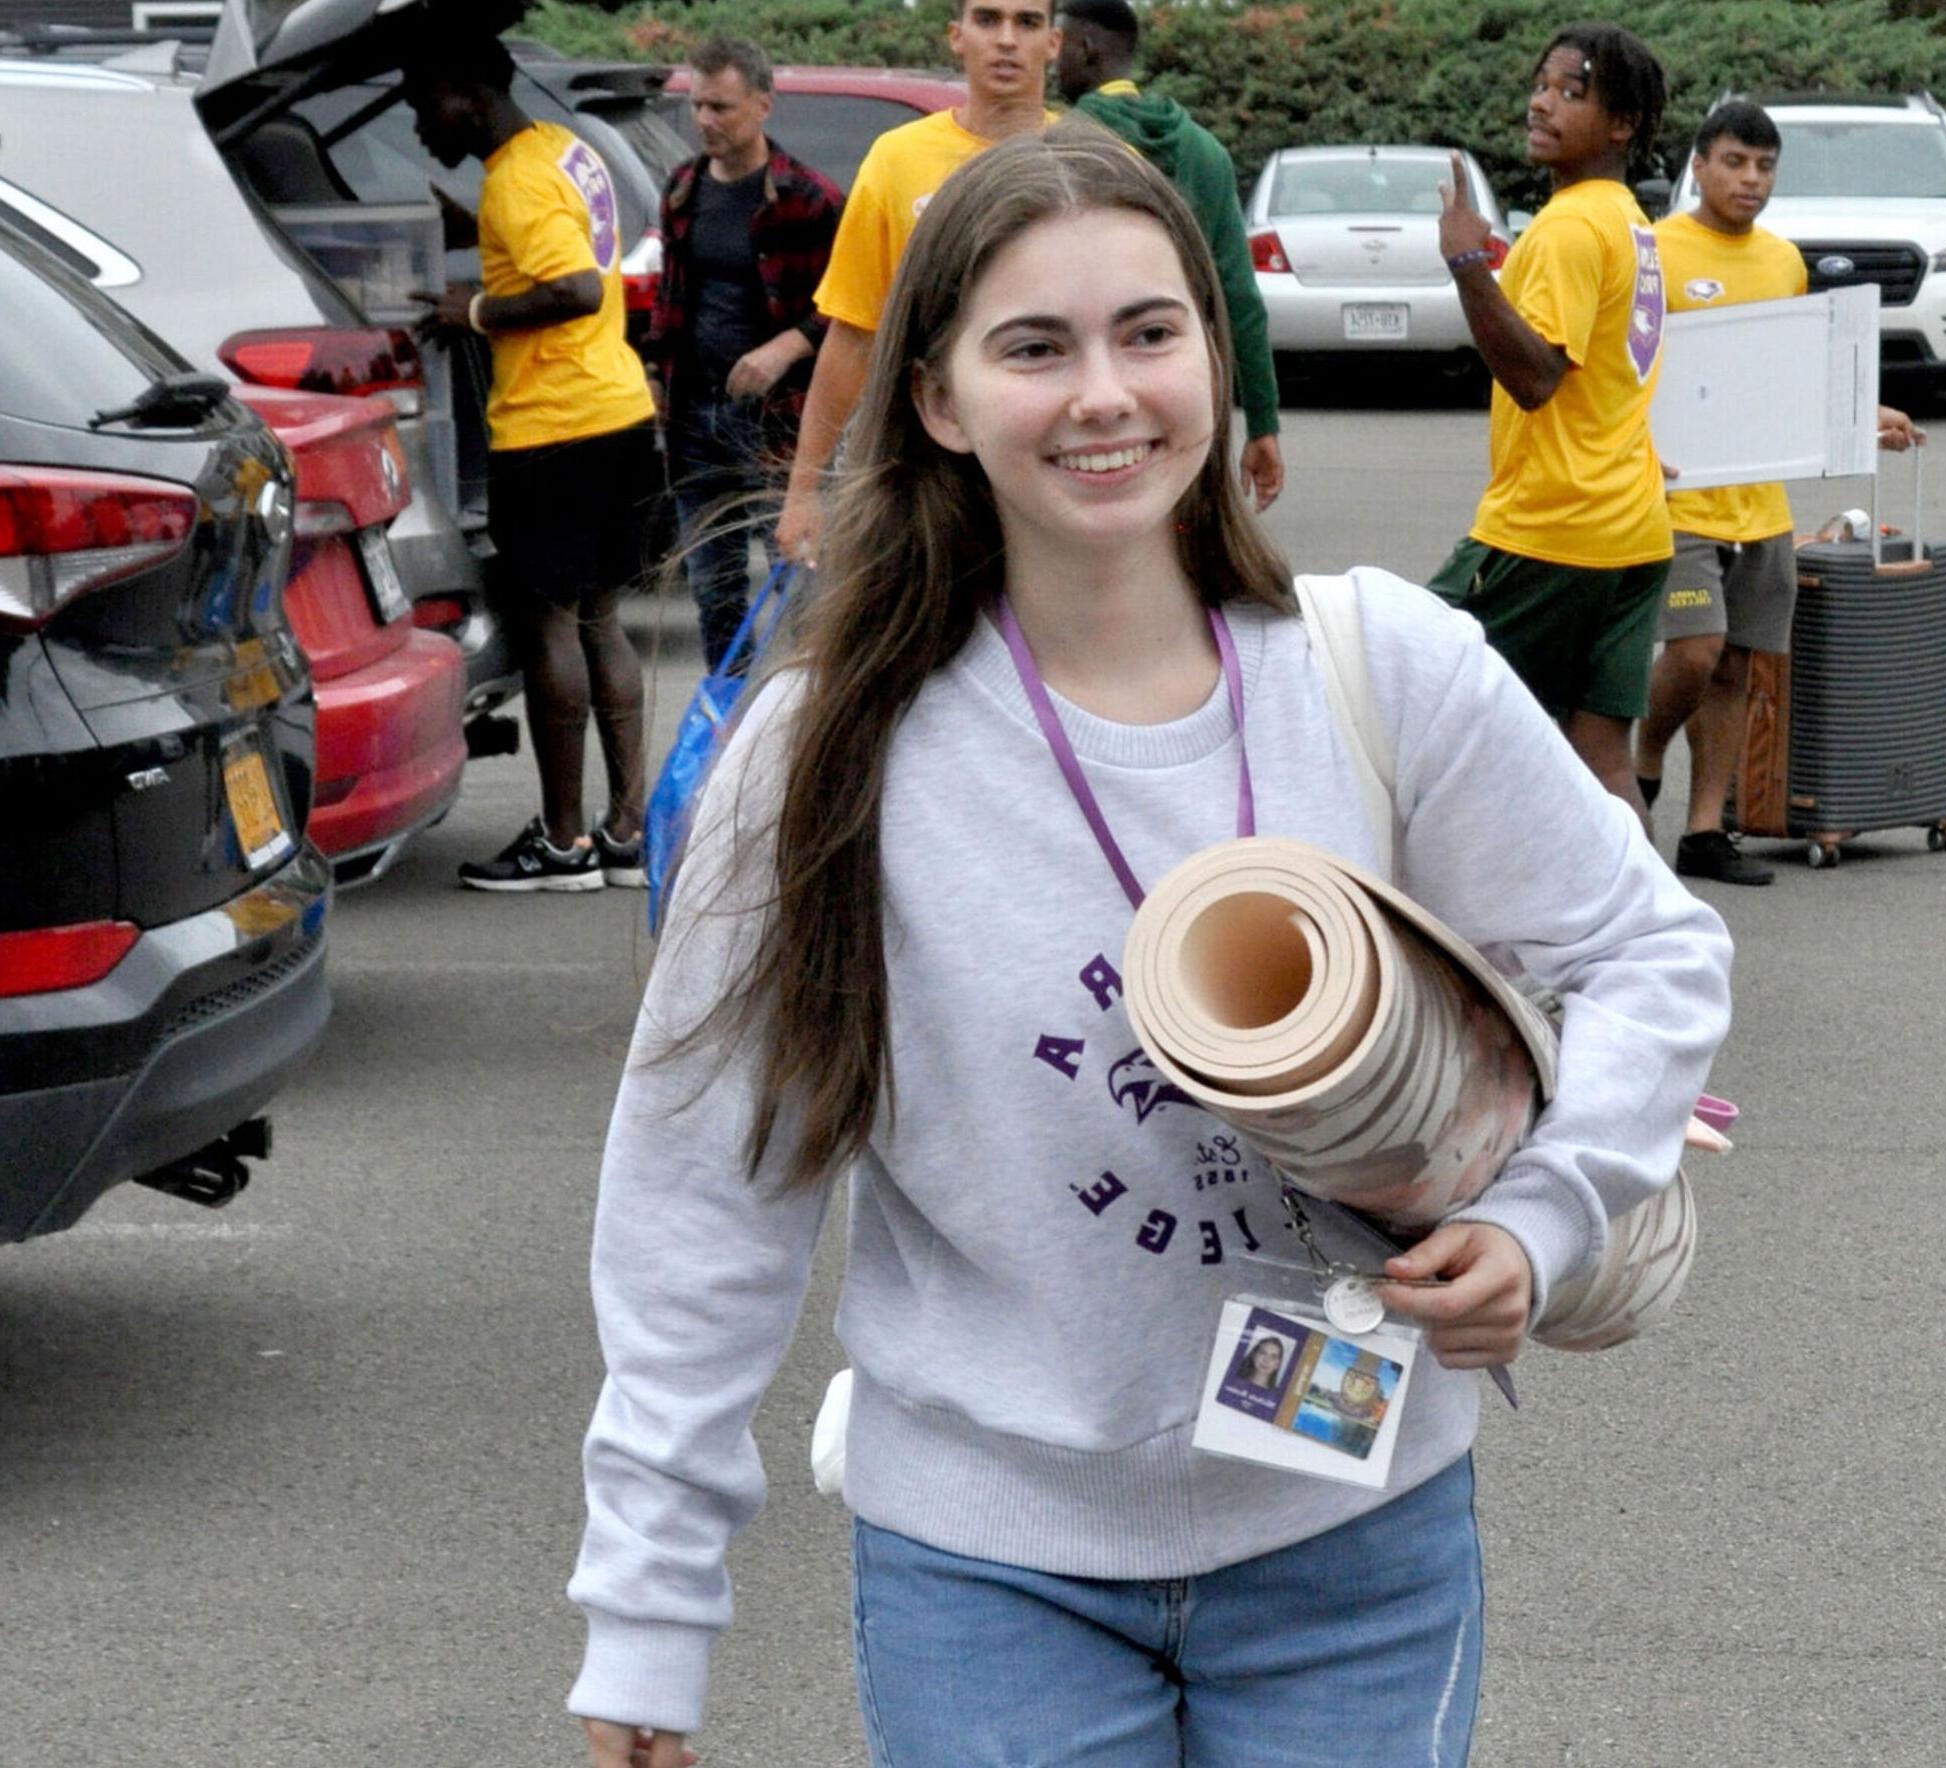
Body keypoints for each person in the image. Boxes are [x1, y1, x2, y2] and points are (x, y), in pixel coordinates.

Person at [567, 126, 1731, 1768]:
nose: (1102, 394)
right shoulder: (820, 753)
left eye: (1147, 332)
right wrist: (646, 1610)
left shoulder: (1377, 669)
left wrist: (1542, 1215)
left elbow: (1649, 952)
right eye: (1031, 347)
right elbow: (701, 1193)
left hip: (1354, 1543)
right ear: (935, 397)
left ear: (1212, 353)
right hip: (985, 1563)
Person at [1638, 99, 1926, 888]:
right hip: (1678, 499)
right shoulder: (1653, 250)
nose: (1751, 180)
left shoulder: (1782, 260)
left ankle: (1704, 832)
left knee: (1738, 668)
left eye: (1764, 167)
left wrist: (1866, 415)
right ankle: (1645, 750)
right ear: (1698, 165)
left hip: (1759, 505)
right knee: (1693, 653)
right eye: (1734, 162)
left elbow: (1796, 373)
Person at [407, 35, 658, 892]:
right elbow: (559, 248)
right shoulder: (562, 149)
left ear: (470, 96)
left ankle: (560, 845)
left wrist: (470, 308)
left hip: (553, 429)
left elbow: (573, 289)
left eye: (425, 101)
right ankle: (626, 834)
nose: (416, 123)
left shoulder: (513, 178)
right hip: (618, 412)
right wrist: (473, 229)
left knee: (551, 625)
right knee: (600, 619)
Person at [1427, 21, 1671, 820]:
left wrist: (1468, 265)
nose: (1542, 103)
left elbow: (1535, 376)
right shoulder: (1627, 217)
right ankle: (1643, 938)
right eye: (1541, 84)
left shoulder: (1568, 227)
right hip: (1634, 531)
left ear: (1623, 123)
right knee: (1603, 761)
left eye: (1572, 92)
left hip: (1550, 531)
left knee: (1410, 696)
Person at [773, 0, 1059, 564]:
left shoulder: (1094, 161)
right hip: (926, 471)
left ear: (1053, 43)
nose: (1007, 39)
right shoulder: (895, 161)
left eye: (1027, 23)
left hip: (1051, 462)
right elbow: (853, 336)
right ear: (957, 36)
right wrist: (804, 491)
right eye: (987, 20)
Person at [643, 38, 845, 670]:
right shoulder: (682, 187)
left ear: (762, 105)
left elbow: (850, 306)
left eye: (722, 108)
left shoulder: (808, 198)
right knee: (715, 593)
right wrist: (652, 371)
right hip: (695, 420)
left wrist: (787, 346)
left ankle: (803, 717)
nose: (706, 121)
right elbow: (670, 295)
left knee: (799, 587)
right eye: (698, 107)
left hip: (778, 425)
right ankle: (725, 723)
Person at [1055, 0, 1283, 513]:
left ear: (1087, 48)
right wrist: (1263, 423)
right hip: (1185, 387)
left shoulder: (1063, 146)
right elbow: (1240, 299)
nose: (1054, 60)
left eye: (1060, 45)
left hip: (1091, 391)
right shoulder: (1204, 150)